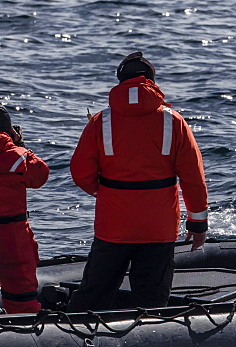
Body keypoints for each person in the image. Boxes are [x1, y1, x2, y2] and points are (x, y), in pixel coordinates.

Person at [67, 52, 208, 312]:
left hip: (113, 224)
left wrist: (105, 192)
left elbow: (80, 172)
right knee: (153, 303)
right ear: (152, 81)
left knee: (93, 296)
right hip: (159, 226)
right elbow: (193, 178)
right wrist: (198, 224)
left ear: (120, 81)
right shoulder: (173, 121)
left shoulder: (100, 121)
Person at [0, 106, 50, 314]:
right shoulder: (19, 157)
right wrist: (19, 144)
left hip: (12, 232)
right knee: (21, 297)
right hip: (12, 236)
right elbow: (41, 176)